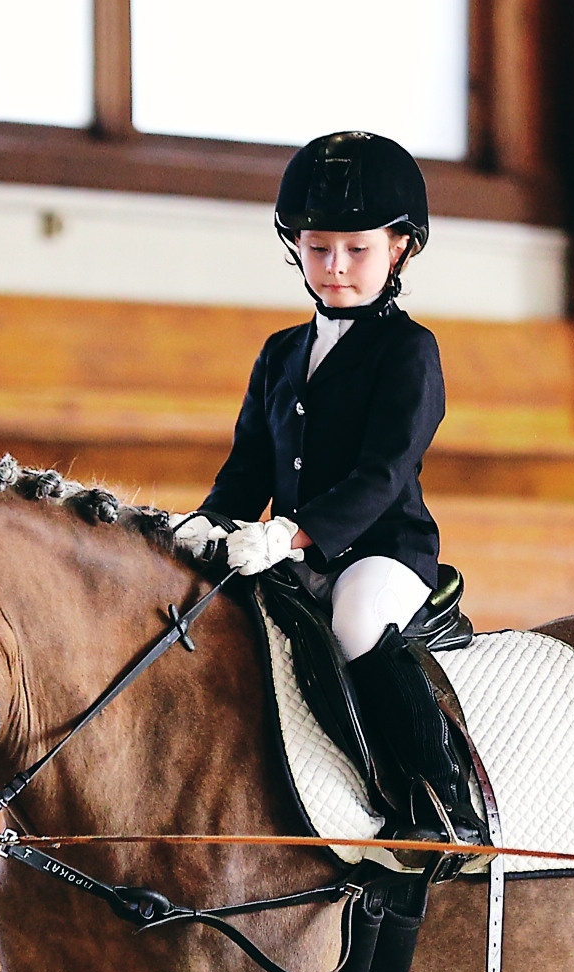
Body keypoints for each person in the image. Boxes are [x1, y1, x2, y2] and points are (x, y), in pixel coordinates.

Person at [168, 130, 485, 847]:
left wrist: (291, 532)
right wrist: (205, 523)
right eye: (318, 248)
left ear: (398, 247)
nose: (334, 267)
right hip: (287, 550)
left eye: (357, 249)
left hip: (382, 551)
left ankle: (436, 797)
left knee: (356, 620)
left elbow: (385, 472)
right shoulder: (281, 352)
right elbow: (249, 466)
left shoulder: (410, 351)